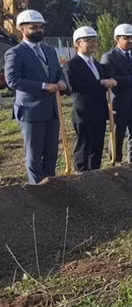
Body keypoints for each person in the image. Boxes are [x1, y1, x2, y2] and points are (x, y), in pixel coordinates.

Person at [4, 10, 67, 184]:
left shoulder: (49, 51)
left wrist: (62, 82)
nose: (38, 30)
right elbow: (13, 80)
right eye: (33, 27)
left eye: (40, 27)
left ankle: (50, 185)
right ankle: (38, 192)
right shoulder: (15, 53)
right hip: (31, 111)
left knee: (51, 153)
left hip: (52, 110)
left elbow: (59, 72)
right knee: (34, 155)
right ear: (22, 29)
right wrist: (43, 86)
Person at [65, 26, 115, 172]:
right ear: (77, 44)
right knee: (84, 145)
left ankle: (95, 173)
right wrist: (100, 83)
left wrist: (110, 81)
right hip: (83, 111)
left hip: (99, 110)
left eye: (94, 41)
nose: (92, 44)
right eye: (88, 41)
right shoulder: (72, 65)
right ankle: (81, 174)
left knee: (97, 145)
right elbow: (74, 85)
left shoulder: (97, 65)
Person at [100, 24, 132, 163]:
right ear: (117, 39)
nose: (130, 41)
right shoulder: (109, 57)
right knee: (118, 135)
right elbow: (111, 78)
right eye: (126, 38)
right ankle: (115, 162)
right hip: (120, 103)